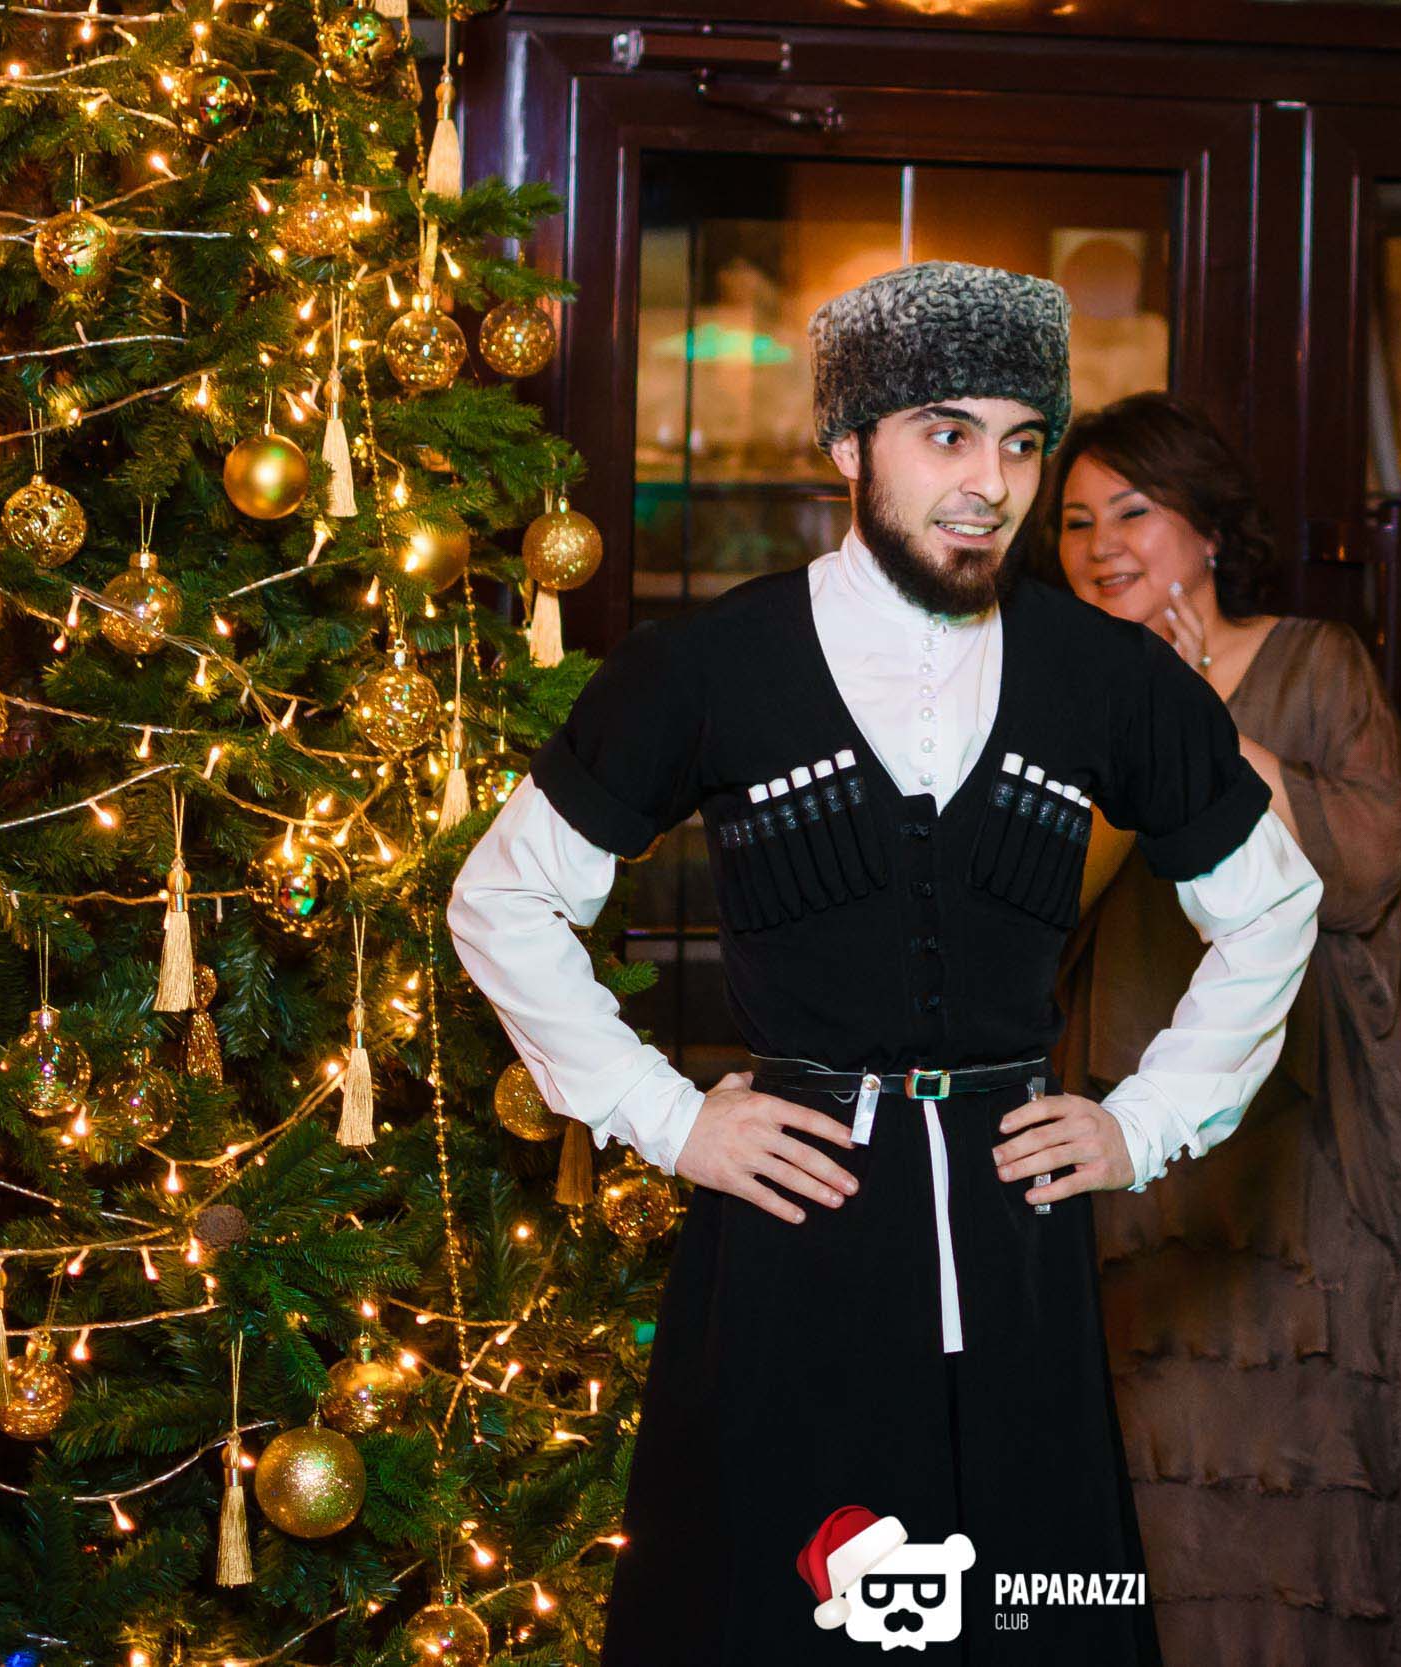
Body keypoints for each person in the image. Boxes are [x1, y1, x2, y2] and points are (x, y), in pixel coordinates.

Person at [448, 261, 1324, 1665]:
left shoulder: (1109, 677)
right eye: (946, 433)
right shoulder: (707, 666)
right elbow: (503, 897)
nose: (990, 482)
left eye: (1022, 442)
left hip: (1019, 1237)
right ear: (848, 444)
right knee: (778, 1617)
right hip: (792, 1230)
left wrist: (1146, 1120)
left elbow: (1274, 903)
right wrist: (667, 1115)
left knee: (1037, 1616)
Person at [1025, 392, 1401, 1667]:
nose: (1102, 545)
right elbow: (1039, 906)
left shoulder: (1318, 664)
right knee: (1140, 1472)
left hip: (1296, 1150)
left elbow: (1363, 867)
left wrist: (1200, 716)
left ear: (1207, 530)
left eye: (1133, 512)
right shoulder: (1056, 690)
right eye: (1076, 522)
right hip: (1119, 1128)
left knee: (1304, 1469)